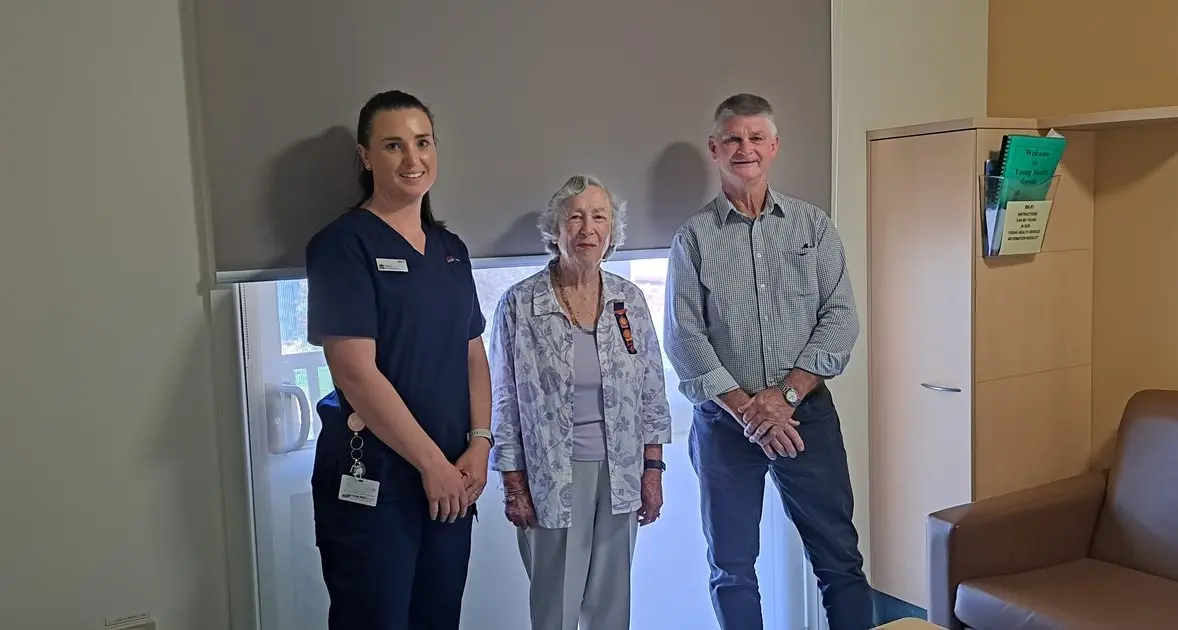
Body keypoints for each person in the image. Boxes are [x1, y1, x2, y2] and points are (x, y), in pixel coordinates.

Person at [663, 93, 873, 630]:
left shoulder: (813, 227)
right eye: (733, 138)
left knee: (839, 561)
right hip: (726, 424)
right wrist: (749, 412)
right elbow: (685, 339)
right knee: (731, 567)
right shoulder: (692, 238)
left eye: (756, 137)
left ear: (774, 146)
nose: (745, 148)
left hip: (806, 415)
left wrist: (781, 399)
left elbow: (841, 319)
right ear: (715, 148)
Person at [304, 89, 493, 630]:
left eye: (423, 142)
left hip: (454, 482)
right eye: (393, 145)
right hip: (380, 480)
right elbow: (355, 372)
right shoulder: (342, 246)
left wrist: (479, 445)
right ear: (366, 156)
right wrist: (432, 465)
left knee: (439, 617)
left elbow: (472, 352)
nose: (413, 160)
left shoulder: (451, 248)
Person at [488, 175, 673, 630]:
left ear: (612, 232)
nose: (587, 228)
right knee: (556, 608)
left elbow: (652, 389)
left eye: (599, 217)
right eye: (575, 217)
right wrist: (513, 485)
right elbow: (504, 401)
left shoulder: (628, 300)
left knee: (611, 607)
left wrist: (653, 471)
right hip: (550, 477)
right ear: (556, 230)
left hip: (622, 475)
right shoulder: (521, 303)